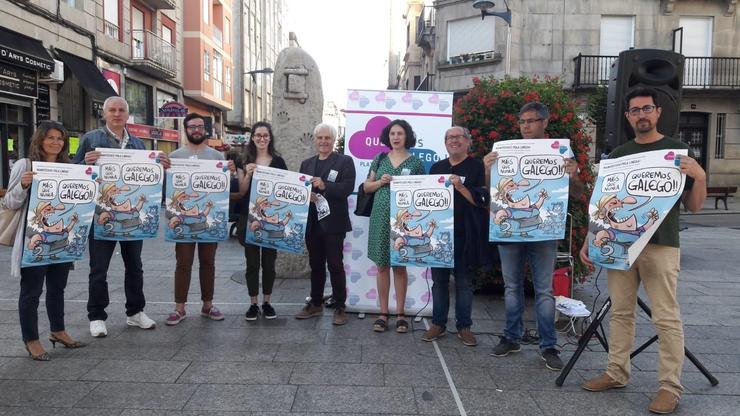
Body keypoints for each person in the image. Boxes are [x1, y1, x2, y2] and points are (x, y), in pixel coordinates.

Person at [579, 88, 706, 415]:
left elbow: (693, 206)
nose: (641, 115)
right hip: (620, 244)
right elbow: (603, 203)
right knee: (621, 312)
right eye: (634, 111)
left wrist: (700, 175)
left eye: (646, 109)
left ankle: (669, 387)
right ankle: (616, 372)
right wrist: (589, 240)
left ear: (658, 111)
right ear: (627, 116)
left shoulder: (677, 151)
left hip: (661, 245)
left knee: (665, 317)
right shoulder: (619, 153)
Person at [483, 102, 581, 370]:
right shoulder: (506, 151)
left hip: (544, 233)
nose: (525, 126)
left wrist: (572, 176)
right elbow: (491, 192)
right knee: (512, 287)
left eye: (531, 121)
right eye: (522, 121)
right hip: (509, 231)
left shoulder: (561, 152)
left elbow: (579, 194)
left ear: (545, 123)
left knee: (544, 290)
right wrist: (488, 169)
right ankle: (511, 337)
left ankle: (548, 345)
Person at [73, 96, 170, 337]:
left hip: (130, 218)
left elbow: (149, 180)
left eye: (121, 110)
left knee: (135, 267)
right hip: (101, 217)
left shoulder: (138, 144)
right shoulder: (90, 139)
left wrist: (161, 167)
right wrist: (86, 164)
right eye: (112, 110)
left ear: (127, 115)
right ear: (105, 114)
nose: (117, 114)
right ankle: (96, 316)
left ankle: (135, 312)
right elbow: (75, 173)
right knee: (98, 269)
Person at [7, 121, 86, 360]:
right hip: (35, 240)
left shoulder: (68, 167)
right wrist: (23, 184)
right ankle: (31, 339)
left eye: (60, 138)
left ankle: (58, 331)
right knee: (31, 292)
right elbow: (9, 202)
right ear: (40, 139)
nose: (55, 142)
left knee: (57, 289)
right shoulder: (25, 165)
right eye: (50, 137)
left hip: (61, 240)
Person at [164, 113, 236, 325]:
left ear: (205, 129)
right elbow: (166, 189)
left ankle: (207, 304)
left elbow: (225, 187)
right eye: (192, 126)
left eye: (199, 126)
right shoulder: (174, 156)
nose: (196, 129)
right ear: (185, 129)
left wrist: (231, 172)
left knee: (208, 263)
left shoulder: (216, 157)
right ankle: (180, 308)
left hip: (208, 219)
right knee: (183, 263)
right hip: (183, 220)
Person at [422, 126, 488, 346]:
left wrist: (460, 187)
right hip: (439, 236)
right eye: (449, 137)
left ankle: (464, 326)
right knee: (439, 283)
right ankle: (438, 324)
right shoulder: (436, 168)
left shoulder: (477, 167)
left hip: (465, 234)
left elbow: (482, 201)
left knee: (464, 283)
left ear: (468, 141)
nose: (454, 141)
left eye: (458, 137)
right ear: (445, 142)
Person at [363, 119, 425, 333]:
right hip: (380, 217)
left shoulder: (416, 163)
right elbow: (366, 187)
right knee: (382, 265)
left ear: (407, 136)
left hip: (404, 220)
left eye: (399, 133)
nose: (396, 137)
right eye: (392, 134)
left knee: (399, 265)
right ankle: (383, 313)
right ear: (387, 137)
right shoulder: (379, 159)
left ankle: (400, 314)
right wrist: (381, 182)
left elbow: (422, 192)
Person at [295, 123, 356, 325]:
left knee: (336, 265)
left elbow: (347, 188)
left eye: (327, 138)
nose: (323, 142)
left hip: (334, 224)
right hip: (311, 224)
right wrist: (306, 196)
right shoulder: (306, 164)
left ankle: (340, 306)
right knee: (316, 265)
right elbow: (299, 190)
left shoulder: (344, 161)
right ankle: (315, 303)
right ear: (315, 140)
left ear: (333, 140)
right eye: (320, 138)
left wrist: (324, 186)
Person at [236, 121, 287, 320]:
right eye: (258, 135)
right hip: (248, 218)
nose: (262, 139)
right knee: (252, 263)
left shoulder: (279, 162)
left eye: (265, 135)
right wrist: (248, 174)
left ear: (270, 138)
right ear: (252, 137)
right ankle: (253, 303)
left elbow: (284, 190)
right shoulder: (244, 159)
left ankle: (267, 302)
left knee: (269, 263)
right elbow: (241, 191)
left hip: (271, 218)